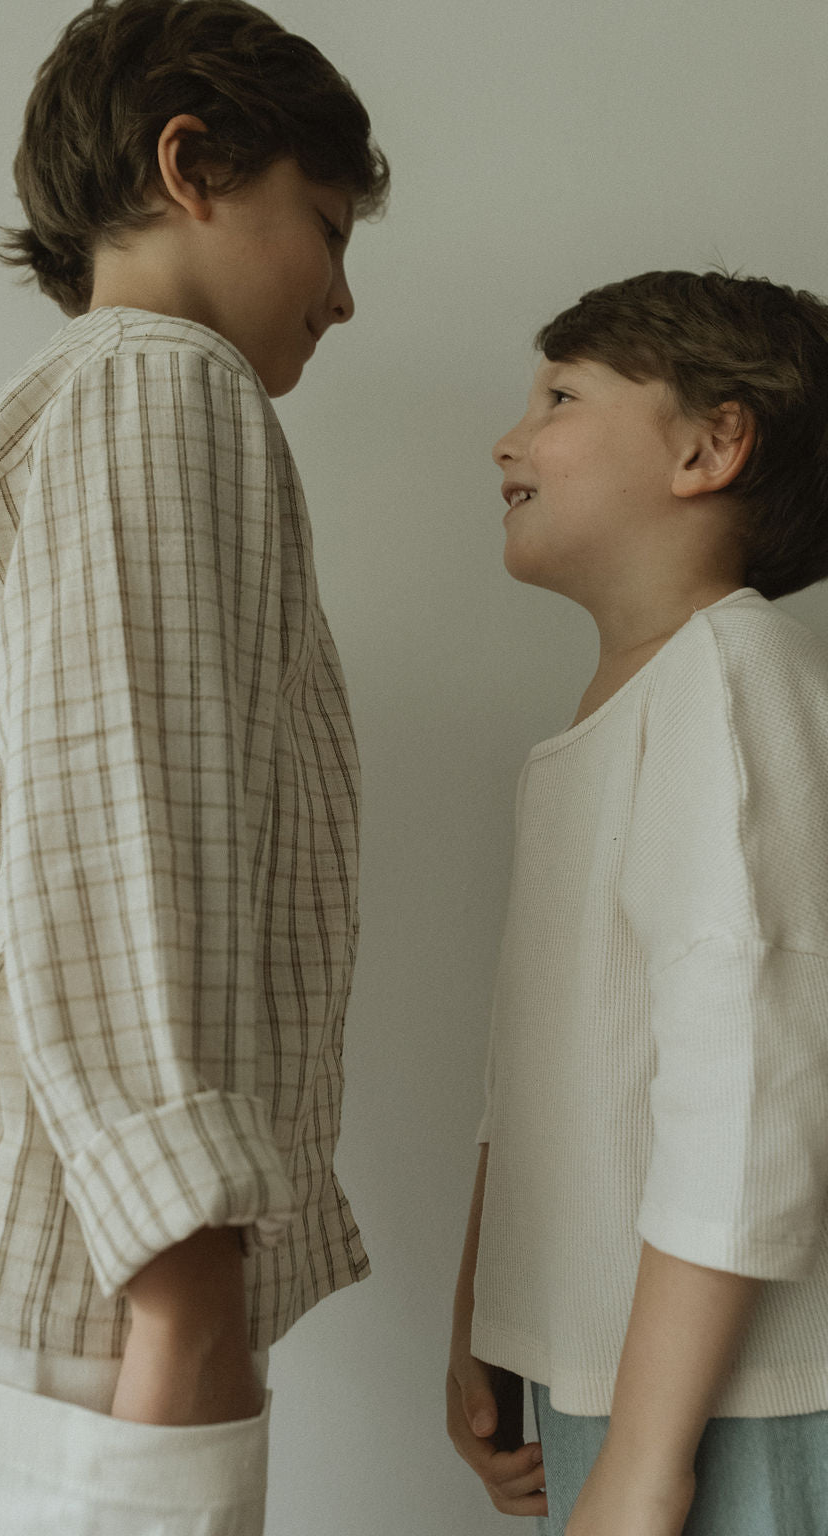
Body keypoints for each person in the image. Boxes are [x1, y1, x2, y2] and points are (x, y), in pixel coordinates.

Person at [0, 3, 388, 1531]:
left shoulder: (105, 399)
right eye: (326, 231)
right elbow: (130, 824)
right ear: (191, 164)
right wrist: (186, 1255)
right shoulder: (165, 392)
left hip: (43, 1224)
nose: (342, 298)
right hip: (101, 1254)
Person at [447, 269, 828, 1535]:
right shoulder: (611, 724)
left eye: (558, 395)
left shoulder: (730, 675)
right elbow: (542, 1072)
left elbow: (746, 1088)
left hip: (731, 1400)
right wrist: (489, 1326)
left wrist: (651, 1463)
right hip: (614, 1372)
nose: (509, 436)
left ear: (709, 447)